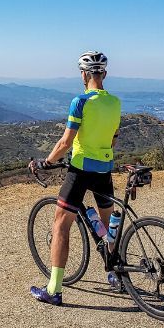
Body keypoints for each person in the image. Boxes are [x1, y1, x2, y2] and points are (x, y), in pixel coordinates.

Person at [29, 50, 121, 306]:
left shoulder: (80, 101)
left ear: (83, 74)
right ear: (105, 73)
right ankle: (115, 274)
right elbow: (113, 138)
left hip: (80, 170)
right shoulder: (115, 102)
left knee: (60, 225)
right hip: (105, 169)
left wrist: (45, 162)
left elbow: (65, 142)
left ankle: (54, 289)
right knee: (108, 227)